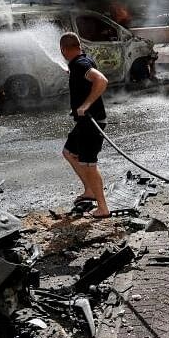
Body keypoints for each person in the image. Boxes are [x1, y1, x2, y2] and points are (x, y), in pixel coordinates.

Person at [60, 32, 111, 218]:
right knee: (68, 152)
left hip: (92, 122)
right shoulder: (79, 64)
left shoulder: (81, 65)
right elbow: (85, 82)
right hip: (83, 123)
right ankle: (89, 190)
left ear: (64, 50)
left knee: (89, 164)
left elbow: (101, 80)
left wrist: (85, 105)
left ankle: (103, 208)